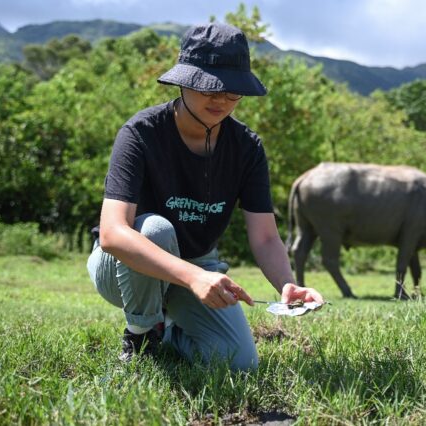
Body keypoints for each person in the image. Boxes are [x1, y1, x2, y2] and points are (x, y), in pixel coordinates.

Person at [86, 22, 324, 370]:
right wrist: (195, 278)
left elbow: (266, 236)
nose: (222, 100)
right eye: (211, 89)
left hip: (197, 264)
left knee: (239, 365)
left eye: (233, 91)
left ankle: (167, 331)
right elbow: (113, 234)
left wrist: (287, 285)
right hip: (124, 269)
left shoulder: (247, 148)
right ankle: (140, 332)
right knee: (155, 229)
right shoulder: (140, 133)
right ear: (184, 81)